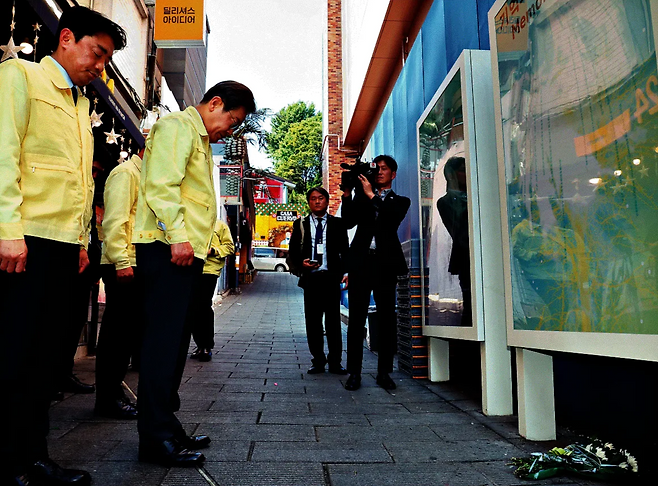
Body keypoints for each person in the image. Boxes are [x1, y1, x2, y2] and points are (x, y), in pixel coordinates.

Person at [0, 6, 126, 485]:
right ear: (67, 37)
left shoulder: (79, 103)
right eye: (97, 53)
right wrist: (7, 230)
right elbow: (4, 155)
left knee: (46, 359)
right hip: (24, 241)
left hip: (63, 248)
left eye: (107, 59)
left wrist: (79, 241)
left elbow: (77, 182)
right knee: (15, 355)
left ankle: (33, 458)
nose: (101, 66)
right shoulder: (22, 77)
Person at [133, 81, 256, 467]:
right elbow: (161, 187)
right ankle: (155, 438)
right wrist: (179, 237)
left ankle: (167, 427)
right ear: (215, 103)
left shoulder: (199, 139)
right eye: (231, 121)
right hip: (169, 248)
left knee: (174, 347)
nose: (229, 131)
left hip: (185, 252)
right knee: (162, 346)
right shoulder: (177, 127)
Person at [341, 155, 410, 391]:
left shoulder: (401, 201)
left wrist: (371, 195)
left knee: (386, 318)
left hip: (385, 264)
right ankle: (354, 373)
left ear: (393, 174)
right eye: (376, 168)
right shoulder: (362, 197)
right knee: (356, 318)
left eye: (384, 169)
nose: (379, 172)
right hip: (361, 263)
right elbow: (348, 222)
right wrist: (347, 194)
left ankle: (384, 372)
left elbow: (390, 218)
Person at [94, 151, 145, 419]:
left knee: (125, 335)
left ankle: (113, 392)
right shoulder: (126, 173)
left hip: (133, 262)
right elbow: (114, 220)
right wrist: (121, 261)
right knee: (117, 334)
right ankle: (107, 398)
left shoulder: (144, 175)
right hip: (122, 263)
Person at [288, 187, 349, 375]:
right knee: (313, 322)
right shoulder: (301, 224)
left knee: (333, 322)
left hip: (331, 278)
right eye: (313, 198)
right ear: (309, 202)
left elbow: (345, 250)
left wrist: (347, 272)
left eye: (320, 198)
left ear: (327, 201)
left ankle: (335, 362)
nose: (317, 201)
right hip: (311, 279)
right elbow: (292, 253)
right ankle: (318, 361)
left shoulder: (337, 224)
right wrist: (301, 264)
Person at [189, 219, 235, 361]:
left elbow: (230, 247)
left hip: (209, 270)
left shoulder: (219, 225)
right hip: (189, 268)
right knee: (191, 308)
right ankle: (199, 344)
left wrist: (213, 251)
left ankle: (206, 346)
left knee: (203, 305)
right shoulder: (189, 220)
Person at [436, 156, 471, 327]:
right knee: (470, 304)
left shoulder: (475, 195)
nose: (467, 174)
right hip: (466, 257)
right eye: (463, 170)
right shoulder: (445, 202)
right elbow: (457, 229)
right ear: (452, 175)